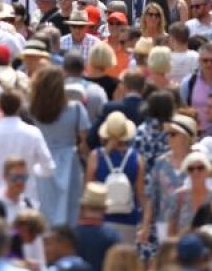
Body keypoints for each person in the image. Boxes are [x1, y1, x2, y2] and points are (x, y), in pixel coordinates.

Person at [30, 68, 90, 227]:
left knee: (42, 206)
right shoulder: (76, 108)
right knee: (69, 208)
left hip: (40, 160)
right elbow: (84, 141)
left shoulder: (32, 110)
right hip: (69, 161)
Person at [86, 111, 145, 243]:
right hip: (129, 219)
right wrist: (145, 222)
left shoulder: (95, 156)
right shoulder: (136, 158)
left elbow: (88, 191)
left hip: (102, 220)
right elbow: (140, 194)